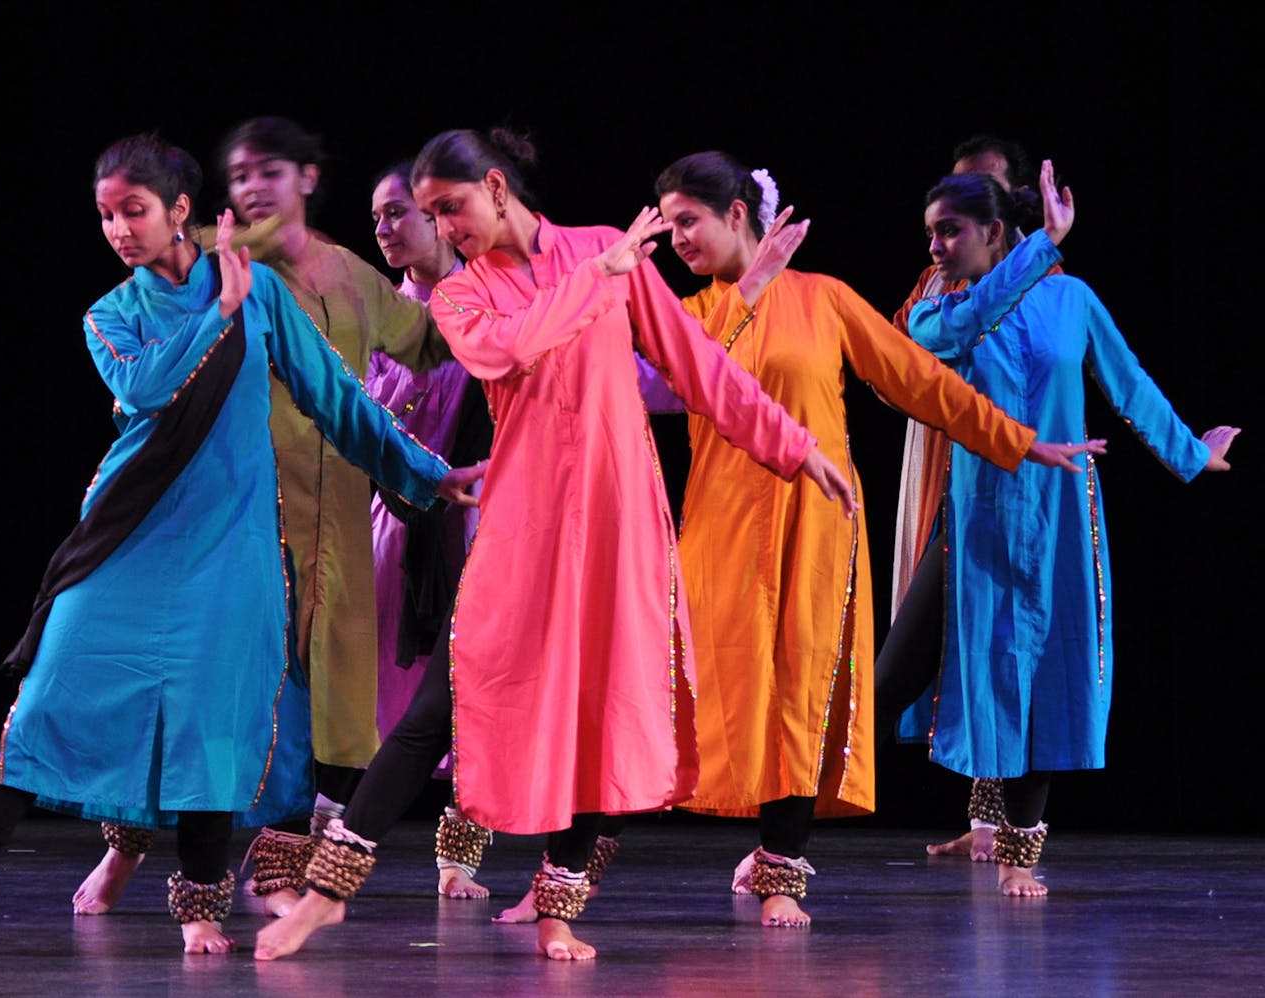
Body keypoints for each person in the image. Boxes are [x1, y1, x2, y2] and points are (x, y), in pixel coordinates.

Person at [0, 134, 480, 958]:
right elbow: (146, 387)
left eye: (134, 210)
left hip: (234, 544)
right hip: (133, 537)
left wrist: (428, 477)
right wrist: (218, 312)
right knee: (45, 702)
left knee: (214, 718)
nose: (118, 228)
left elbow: (337, 399)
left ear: (180, 210)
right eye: (107, 214)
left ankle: (200, 904)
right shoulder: (112, 314)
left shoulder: (262, 297)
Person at [251, 127, 858, 963]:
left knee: (605, 714)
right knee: (437, 711)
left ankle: (557, 909)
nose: (445, 226)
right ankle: (325, 896)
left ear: (497, 188)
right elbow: (507, 349)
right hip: (524, 527)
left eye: (450, 207)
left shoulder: (609, 250)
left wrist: (794, 446)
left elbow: (697, 368)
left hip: (619, 525)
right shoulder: (467, 298)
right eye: (431, 214)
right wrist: (593, 284)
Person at [653, 150, 1100, 927]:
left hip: (816, 525)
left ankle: (783, 869)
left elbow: (919, 379)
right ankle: (576, 872)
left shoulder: (824, 298)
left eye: (687, 220)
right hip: (721, 529)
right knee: (712, 697)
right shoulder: (688, 315)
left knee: (799, 693)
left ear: (736, 215)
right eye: (666, 223)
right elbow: (668, 384)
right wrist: (746, 293)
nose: (677, 237)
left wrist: (1018, 441)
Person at [72, 118, 459, 920]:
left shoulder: (349, 275)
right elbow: (145, 378)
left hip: (339, 517)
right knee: (194, 690)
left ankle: (276, 869)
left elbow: (413, 353)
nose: (248, 188)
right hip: (232, 512)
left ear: (307, 180)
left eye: (267, 173)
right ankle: (126, 846)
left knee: (321, 703)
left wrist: (453, 265)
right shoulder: (214, 267)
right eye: (238, 175)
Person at [893, 162, 1237, 896]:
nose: (936, 248)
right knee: (890, 674)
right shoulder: (937, 311)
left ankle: (1022, 853)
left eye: (949, 231)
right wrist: (1040, 247)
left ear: (993, 232)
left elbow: (1127, 381)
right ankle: (789, 825)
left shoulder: (1071, 300)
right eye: (930, 234)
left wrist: (1190, 453)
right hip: (975, 516)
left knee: (1047, 663)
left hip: (1057, 518)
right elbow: (954, 331)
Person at [878, 136, 1051, 863]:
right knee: (940, 645)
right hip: (947, 461)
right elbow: (898, 357)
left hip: (1019, 475)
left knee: (1007, 646)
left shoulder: (1044, 279)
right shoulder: (936, 285)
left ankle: (1006, 830)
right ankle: (790, 827)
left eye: (982, 197)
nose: (954, 226)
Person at [367, 159, 494, 899]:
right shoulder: (375, 316)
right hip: (389, 521)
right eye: (376, 218)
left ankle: (459, 860)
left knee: (470, 695)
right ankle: (322, 842)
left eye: (396, 213)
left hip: (475, 524)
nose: (385, 229)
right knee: (364, 689)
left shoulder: (485, 305)